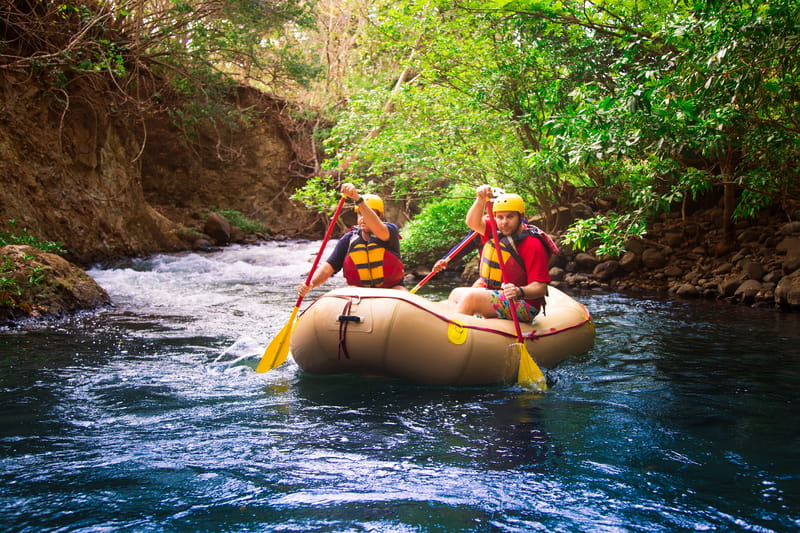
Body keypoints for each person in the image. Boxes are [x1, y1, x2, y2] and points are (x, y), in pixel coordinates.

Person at [445, 184, 558, 321]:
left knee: (472, 297)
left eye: (510, 217)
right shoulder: (495, 230)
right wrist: (480, 199)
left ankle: (456, 333)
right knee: (456, 293)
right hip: (498, 292)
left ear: (521, 216)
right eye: (500, 217)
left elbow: (540, 288)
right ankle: (459, 327)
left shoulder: (533, 244)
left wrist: (518, 291)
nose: (504, 222)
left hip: (525, 304)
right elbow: (472, 222)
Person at [297, 183, 406, 297]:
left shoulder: (390, 230)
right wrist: (310, 284)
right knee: (346, 292)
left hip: (392, 290)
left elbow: (379, 231)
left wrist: (358, 199)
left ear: (379, 217)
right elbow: (327, 268)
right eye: (360, 214)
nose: (363, 218)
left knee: (401, 291)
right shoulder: (348, 239)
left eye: (368, 214)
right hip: (358, 293)